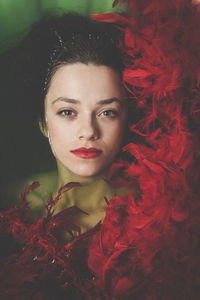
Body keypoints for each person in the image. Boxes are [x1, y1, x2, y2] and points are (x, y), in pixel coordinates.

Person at [1, 0, 200, 299]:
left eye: (107, 112)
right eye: (68, 112)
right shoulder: (7, 209)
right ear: (43, 122)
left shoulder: (162, 218)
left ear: (126, 119)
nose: (89, 132)